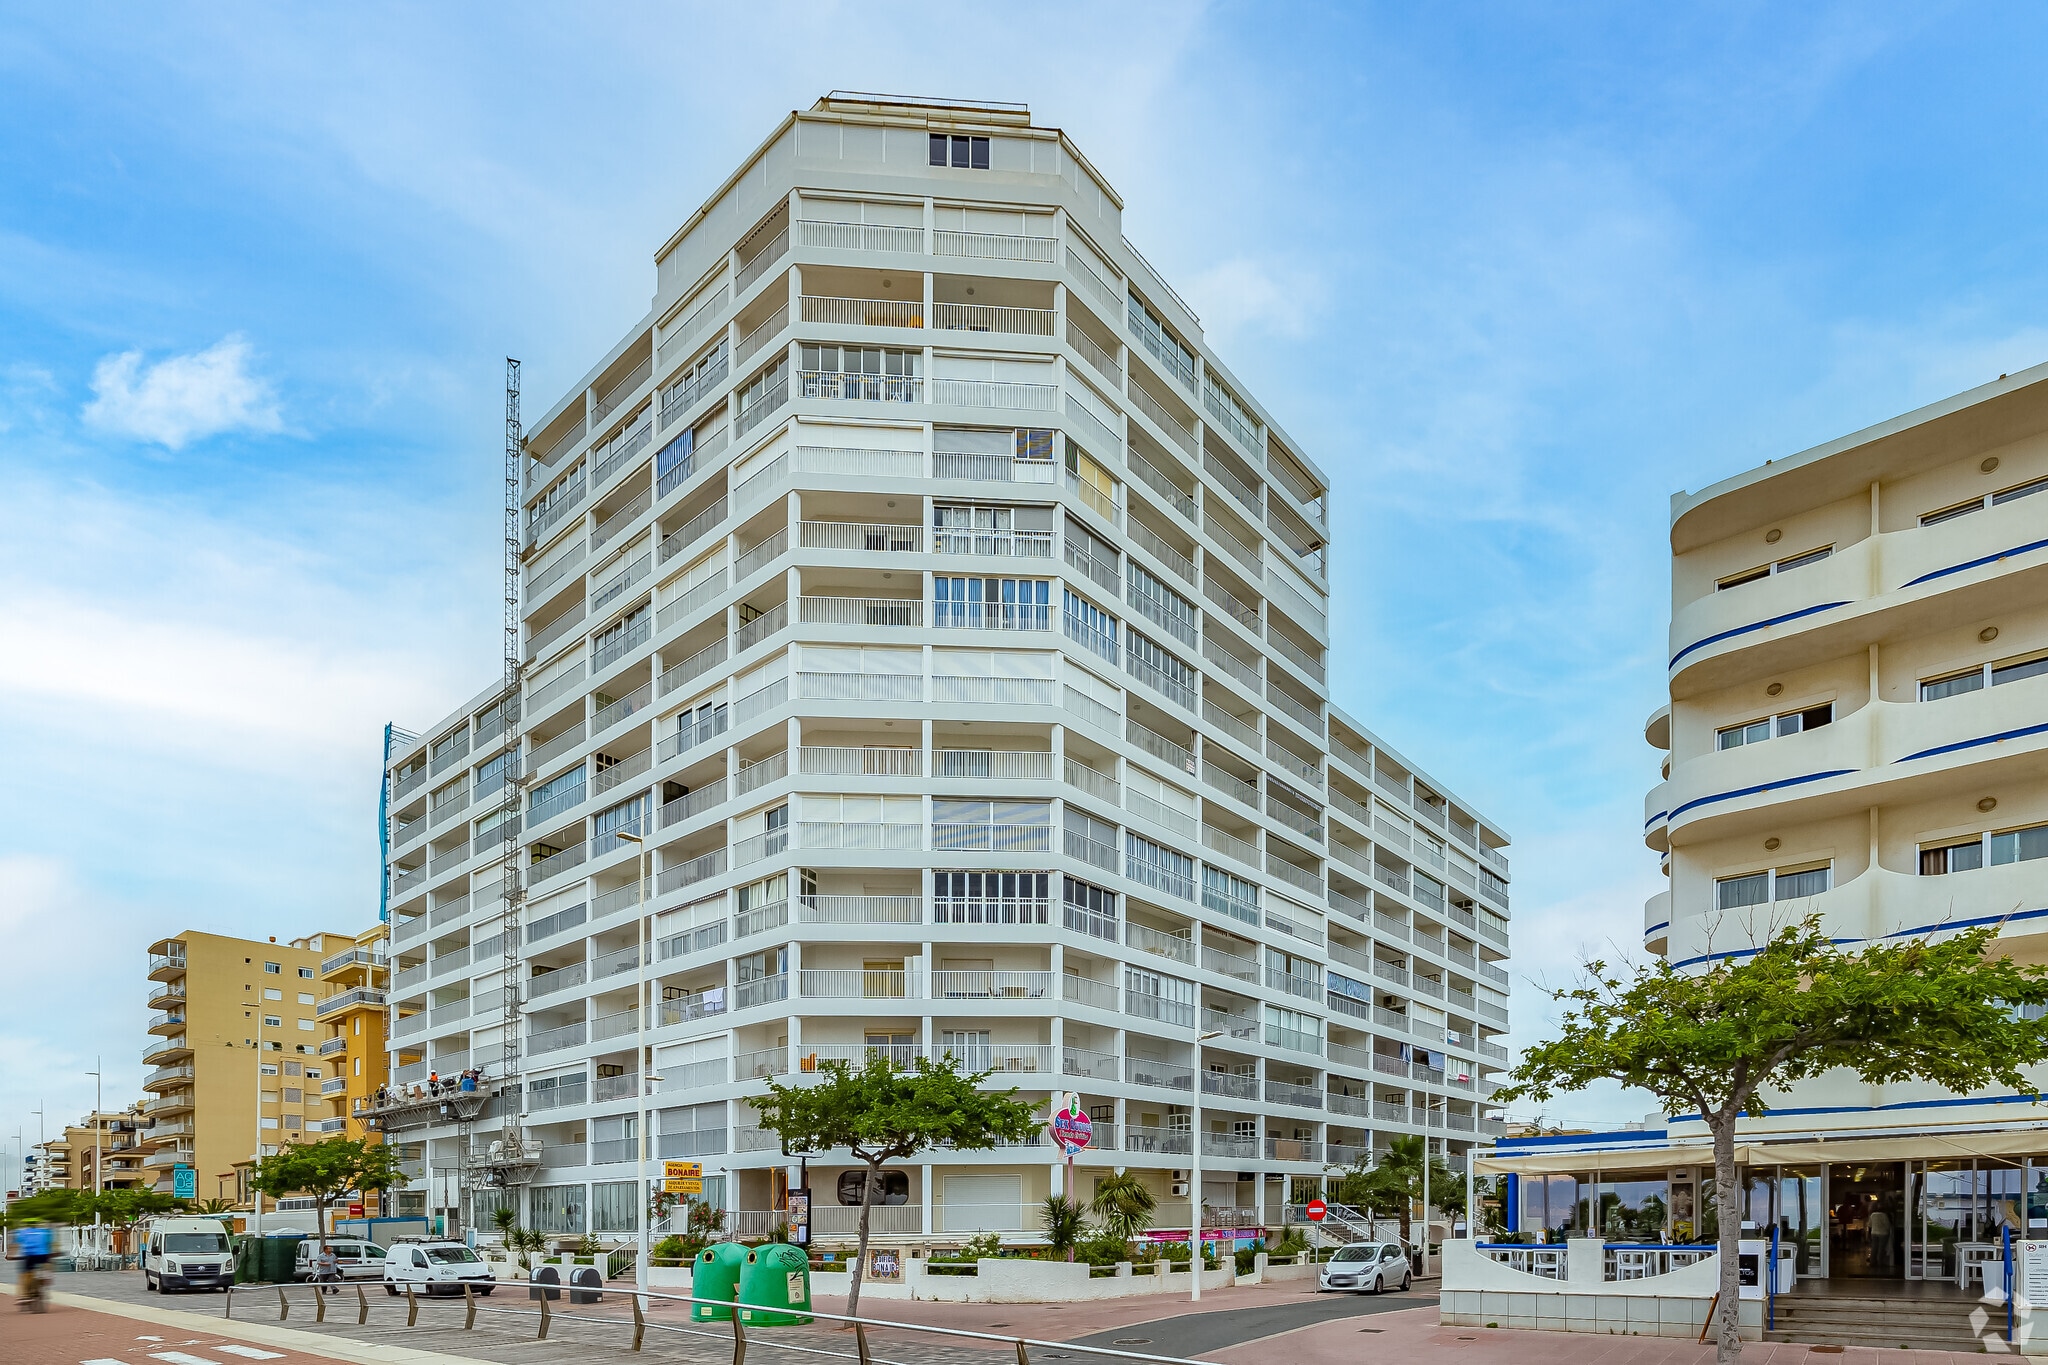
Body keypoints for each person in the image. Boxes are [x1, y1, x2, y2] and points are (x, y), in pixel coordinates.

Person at [12, 1219, 53, 1313]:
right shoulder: (45, 1232)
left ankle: (25, 1295)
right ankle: (47, 1278)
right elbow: (49, 1245)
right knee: (48, 1266)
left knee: (24, 1273)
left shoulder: (23, 1232)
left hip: (30, 1257)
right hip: (43, 1256)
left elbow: (16, 1245)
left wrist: (9, 1255)